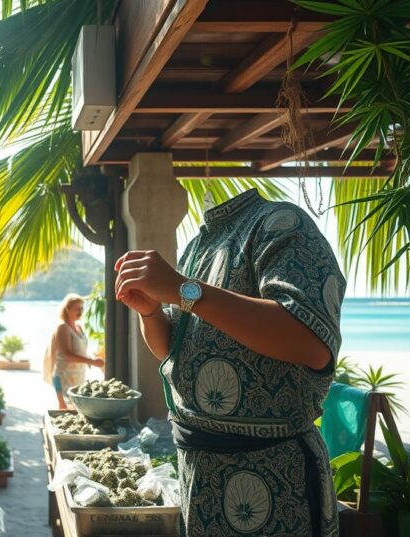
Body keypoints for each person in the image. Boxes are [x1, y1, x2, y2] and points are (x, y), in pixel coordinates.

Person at [114, 189, 345, 536]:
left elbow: (310, 341)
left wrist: (181, 288)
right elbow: (175, 351)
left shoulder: (281, 224)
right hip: (200, 475)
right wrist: (149, 312)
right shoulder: (197, 247)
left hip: (273, 474)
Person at [44, 294, 103, 410]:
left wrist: (94, 357)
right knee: (65, 409)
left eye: (82, 308)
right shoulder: (62, 327)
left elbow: (80, 350)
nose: (80, 311)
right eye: (77, 308)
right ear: (67, 309)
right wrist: (91, 361)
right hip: (64, 376)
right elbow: (67, 355)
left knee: (76, 409)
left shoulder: (79, 327)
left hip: (78, 375)